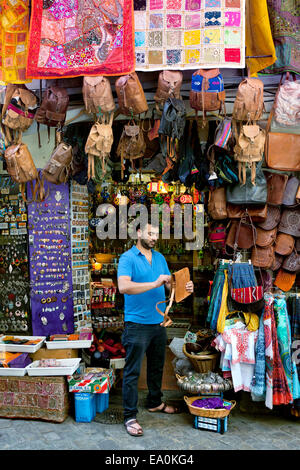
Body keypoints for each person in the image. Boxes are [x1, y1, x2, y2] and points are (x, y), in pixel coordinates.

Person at [117, 219, 194, 437]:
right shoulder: (128, 258)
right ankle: (129, 416)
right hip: (136, 324)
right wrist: (154, 283)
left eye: (156, 235)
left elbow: (170, 286)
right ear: (139, 232)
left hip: (158, 323)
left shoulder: (159, 258)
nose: (154, 238)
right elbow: (123, 286)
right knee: (132, 372)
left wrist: (184, 287)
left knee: (156, 367)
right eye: (150, 233)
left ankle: (154, 403)